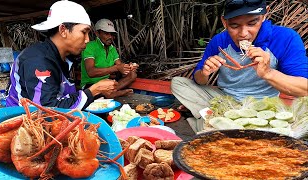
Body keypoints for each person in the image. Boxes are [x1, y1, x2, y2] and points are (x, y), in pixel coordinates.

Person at [171, 0, 308, 133]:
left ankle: (207, 122)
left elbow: (304, 89)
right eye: (234, 26)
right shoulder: (219, 41)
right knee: (178, 83)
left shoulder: (285, 38)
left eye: (252, 23)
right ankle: (217, 121)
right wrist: (205, 73)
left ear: (264, 15)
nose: (243, 33)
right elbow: (198, 79)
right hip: (225, 100)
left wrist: (268, 73)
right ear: (224, 22)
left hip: (263, 104)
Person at [6, 0, 117, 109]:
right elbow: (47, 109)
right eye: (84, 32)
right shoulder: (39, 60)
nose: (87, 39)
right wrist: (94, 90)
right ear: (63, 30)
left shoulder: (62, 57)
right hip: (22, 121)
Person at [81, 18, 138, 98]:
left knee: (132, 75)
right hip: (91, 86)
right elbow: (91, 72)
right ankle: (113, 93)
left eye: (112, 34)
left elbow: (120, 66)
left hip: (108, 83)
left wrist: (129, 67)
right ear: (97, 33)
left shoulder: (112, 49)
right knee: (104, 88)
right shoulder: (90, 47)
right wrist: (116, 68)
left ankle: (110, 93)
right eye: (106, 34)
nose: (110, 37)